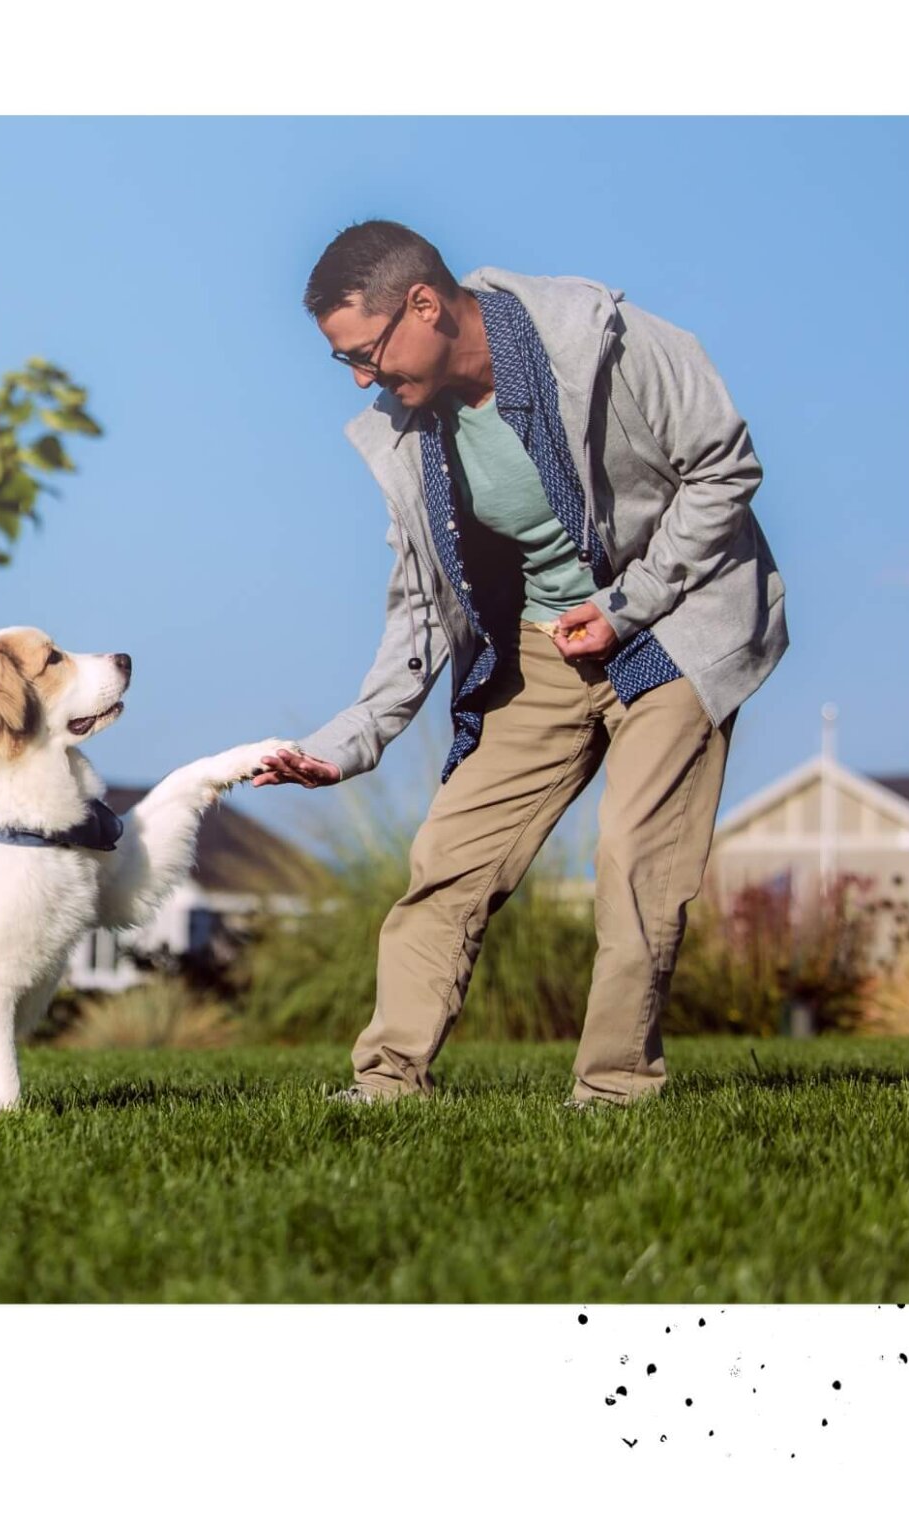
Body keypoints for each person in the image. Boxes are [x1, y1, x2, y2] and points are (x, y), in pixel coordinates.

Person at [255, 221, 786, 1108]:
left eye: (366, 352)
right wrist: (348, 741)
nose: (360, 379)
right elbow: (422, 603)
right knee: (450, 856)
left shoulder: (604, 342)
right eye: (342, 362)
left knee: (633, 860)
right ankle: (387, 1083)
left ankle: (616, 1091)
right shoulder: (410, 432)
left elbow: (726, 468)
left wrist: (627, 606)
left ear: (424, 304)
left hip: (675, 621)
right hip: (546, 646)